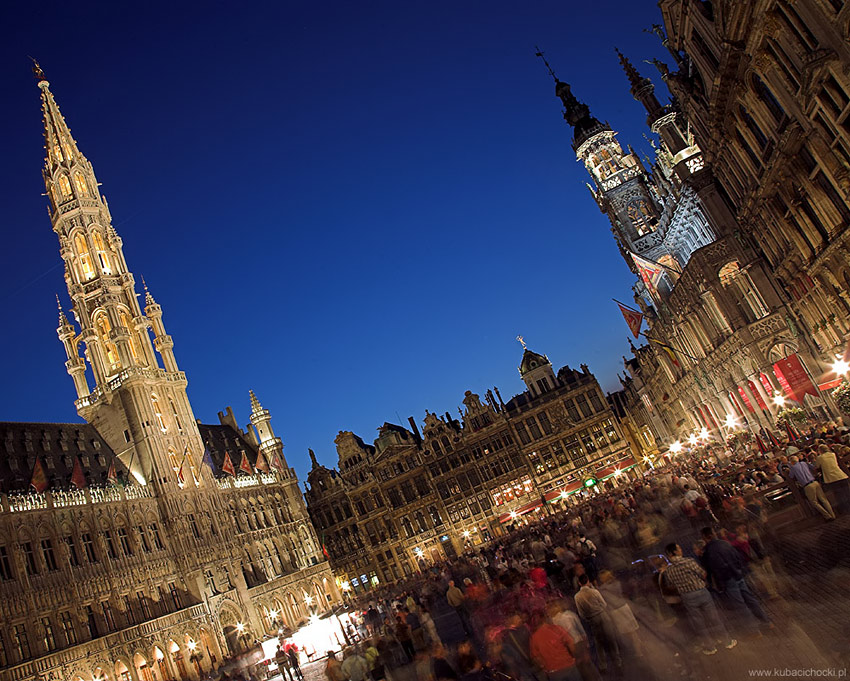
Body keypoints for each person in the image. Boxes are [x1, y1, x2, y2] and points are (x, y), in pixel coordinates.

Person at [663, 542, 736, 655]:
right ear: (675, 552)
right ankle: (727, 641)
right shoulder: (689, 561)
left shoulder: (669, 570)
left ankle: (710, 647)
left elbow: (670, 584)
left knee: (699, 622)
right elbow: (703, 574)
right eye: (679, 548)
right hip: (701, 592)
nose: (681, 550)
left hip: (687, 597)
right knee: (713, 617)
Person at [701, 526, 770, 632]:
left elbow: (712, 569)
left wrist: (716, 583)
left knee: (740, 605)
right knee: (750, 598)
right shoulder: (725, 543)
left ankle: (753, 630)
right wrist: (738, 570)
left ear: (705, 537)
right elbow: (738, 557)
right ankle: (766, 621)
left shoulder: (708, 551)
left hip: (727, 579)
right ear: (713, 534)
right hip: (738, 575)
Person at [573, 574, 620, 672]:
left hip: (592, 619)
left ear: (579, 583)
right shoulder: (594, 591)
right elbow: (604, 604)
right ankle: (618, 663)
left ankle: (603, 665)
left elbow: (581, 613)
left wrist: (588, 618)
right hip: (602, 616)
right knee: (611, 639)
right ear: (588, 581)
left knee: (599, 643)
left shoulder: (577, 597)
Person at [530, 601, 580, 681]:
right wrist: (574, 657)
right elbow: (570, 643)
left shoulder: (534, 638)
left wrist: (545, 667)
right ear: (544, 618)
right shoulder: (556, 628)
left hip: (554, 673)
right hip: (568, 666)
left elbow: (536, 658)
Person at [787, 454, 835, 520]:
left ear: (791, 462)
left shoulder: (793, 468)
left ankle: (827, 516)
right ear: (797, 459)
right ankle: (832, 514)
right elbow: (813, 467)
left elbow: (790, 476)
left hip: (807, 486)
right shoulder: (804, 463)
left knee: (814, 502)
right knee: (824, 499)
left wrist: (789, 469)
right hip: (814, 482)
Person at [815, 443, 849, 512]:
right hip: (840, 475)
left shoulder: (820, 458)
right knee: (847, 491)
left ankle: (845, 508)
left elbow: (817, 466)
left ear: (820, 451)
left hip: (831, 478)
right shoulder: (833, 454)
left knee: (839, 494)